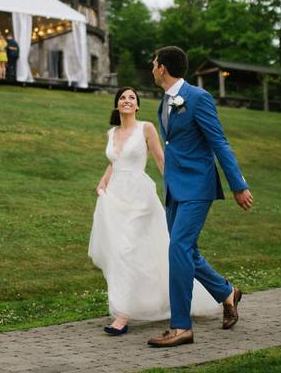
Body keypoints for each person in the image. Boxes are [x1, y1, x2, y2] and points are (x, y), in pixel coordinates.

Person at [89, 87, 222, 336]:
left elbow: (161, 160)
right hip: (115, 199)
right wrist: (103, 182)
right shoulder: (112, 132)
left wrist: (178, 190)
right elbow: (115, 162)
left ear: (137, 106)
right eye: (122, 98)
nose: (126, 100)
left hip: (140, 198)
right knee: (119, 253)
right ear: (116, 105)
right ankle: (146, 302)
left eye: (131, 98)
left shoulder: (146, 128)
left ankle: (123, 315)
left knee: (128, 252)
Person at [146, 46, 253, 348]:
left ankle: (181, 327)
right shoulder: (165, 102)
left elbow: (219, 141)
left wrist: (238, 185)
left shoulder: (198, 98)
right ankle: (227, 293)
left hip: (197, 186)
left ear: (163, 68)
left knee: (178, 248)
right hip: (174, 188)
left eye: (154, 64)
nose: (152, 68)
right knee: (187, 251)